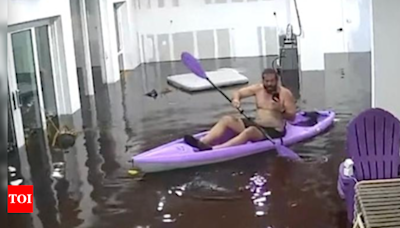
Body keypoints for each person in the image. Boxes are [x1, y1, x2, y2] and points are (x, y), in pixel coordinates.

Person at [184, 68, 297, 151]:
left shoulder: (285, 94)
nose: (269, 84)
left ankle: (215, 149)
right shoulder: (258, 89)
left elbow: (292, 116)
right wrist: (236, 100)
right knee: (227, 119)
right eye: (266, 81)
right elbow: (238, 92)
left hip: (274, 130)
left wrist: (280, 110)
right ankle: (202, 142)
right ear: (262, 81)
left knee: (250, 131)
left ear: (277, 80)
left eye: (272, 81)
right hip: (257, 123)